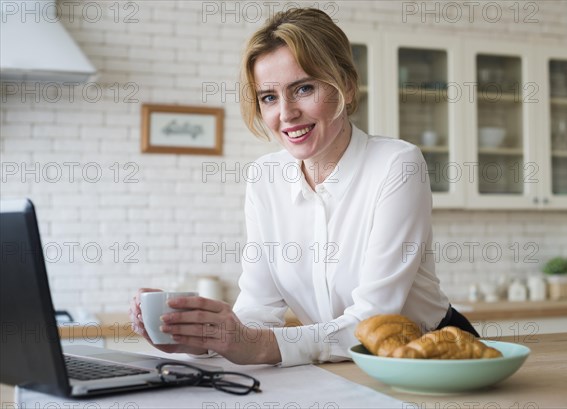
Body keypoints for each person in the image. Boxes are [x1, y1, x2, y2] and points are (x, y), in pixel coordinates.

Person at [129, 7, 478, 367]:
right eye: (269, 97)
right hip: (340, 365)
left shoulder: (396, 165)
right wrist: (198, 337)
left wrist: (259, 345)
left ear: (345, 85)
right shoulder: (264, 178)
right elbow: (257, 312)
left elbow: (374, 319)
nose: (287, 113)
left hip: (435, 356)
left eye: (304, 88)